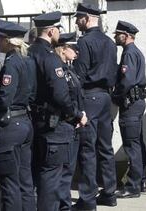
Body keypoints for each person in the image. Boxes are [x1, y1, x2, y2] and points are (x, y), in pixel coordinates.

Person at [28, 11, 87, 211]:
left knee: (37, 172)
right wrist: (77, 114)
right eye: (58, 30)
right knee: (51, 178)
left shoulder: (29, 52)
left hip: (33, 121)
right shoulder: (50, 58)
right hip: (53, 125)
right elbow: (60, 95)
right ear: (52, 31)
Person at [72, 3, 118, 210]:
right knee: (106, 147)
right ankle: (109, 192)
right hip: (105, 97)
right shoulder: (109, 42)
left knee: (88, 150)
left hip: (89, 97)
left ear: (87, 18)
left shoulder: (84, 43)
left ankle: (88, 199)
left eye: (78, 18)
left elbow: (79, 77)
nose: (76, 21)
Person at [0, 19, 36, 211]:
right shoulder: (26, 60)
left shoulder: (12, 63)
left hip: (10, 126)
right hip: (23, 122)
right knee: (24, 181)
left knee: (9, 183)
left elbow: (4, 99)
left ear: (8, 40)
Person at [112, 20, 146, 198]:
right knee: (137, 143)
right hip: (136, 103)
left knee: (131, 145)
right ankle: (141, 180)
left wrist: (115, 96)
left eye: (117, 34)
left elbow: (126, 81)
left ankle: (133, 186)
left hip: (130, 104)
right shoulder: (134, 52)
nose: (115, 37)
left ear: (125, 36)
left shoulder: (129, 53)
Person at [54, 32, 88, 210]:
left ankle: (64, 205)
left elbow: (77, 95)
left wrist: (81, 114)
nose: (77, 52)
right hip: (65, 122)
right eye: (74, 49)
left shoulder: (70, 69)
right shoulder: (59, 69)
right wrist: (77, 115)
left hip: (74, 122)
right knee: (63, 170)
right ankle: (63, 206)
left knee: (69, 169)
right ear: (64, 48)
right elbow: (63, 98)